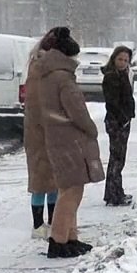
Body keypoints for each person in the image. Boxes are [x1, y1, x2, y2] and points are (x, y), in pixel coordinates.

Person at [36, 26, 102, 259]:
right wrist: (91, 129)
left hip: (56, 137)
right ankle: (59, 241)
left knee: (68, 188)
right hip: (70, 139)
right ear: (66, 56)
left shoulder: (46, 75)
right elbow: (77, 112)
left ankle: (70, 237)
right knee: (72, 191)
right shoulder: (63, 78)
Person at [23, 30, 59, 239]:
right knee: (40, 180)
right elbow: (37, 104)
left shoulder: (41, 66)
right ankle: (38, 225)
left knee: (52, 179)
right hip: (39, 132)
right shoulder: (39, 69)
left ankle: (52, 222)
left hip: (45, 130)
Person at [100, 45, 136, 206]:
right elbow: (112, 102)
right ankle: (115, 195)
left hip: (122, 121)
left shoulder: (123, 74)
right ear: (114, 58)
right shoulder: (111, 77)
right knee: (117, 159)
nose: (122, 63)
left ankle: (114, 192)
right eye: (120, 59)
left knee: (118, 158)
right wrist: (123, 119)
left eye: (126, 60)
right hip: (116, 123)